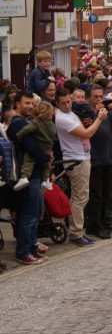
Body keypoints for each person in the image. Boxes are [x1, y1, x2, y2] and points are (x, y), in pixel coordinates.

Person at [54, 87, 107, 247]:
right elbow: (86, 134)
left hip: (82, 157)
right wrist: (99, 119)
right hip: (76, 159)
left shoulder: (70, 113)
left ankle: (78, 231)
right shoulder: (62, 118)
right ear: (57, 103)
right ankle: (76, 232)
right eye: (63, 103)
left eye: (68, 102)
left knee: (82, 196)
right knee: (79, 197)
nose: (67, 105)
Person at [7, 92, 52, 263]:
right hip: (28, 175)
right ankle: (23, 252)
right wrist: (47, 158)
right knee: (28, 215)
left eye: (32, 103)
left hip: (37, 174)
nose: (31, 106)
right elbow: (31, 147)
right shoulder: (18, 124)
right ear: (17, 104)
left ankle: (32, 248)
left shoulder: (27, 122)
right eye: (27, 103)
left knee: (34, 215)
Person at [13, 101, 56, 191]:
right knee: (46, 165)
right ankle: (46, 180)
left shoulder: (36, 122)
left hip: (39, 146)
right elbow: (54, 136)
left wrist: (19, 135)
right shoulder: (52, 124)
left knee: (29, 160)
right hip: (48, 147)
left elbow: (27, 130)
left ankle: (24, 177)